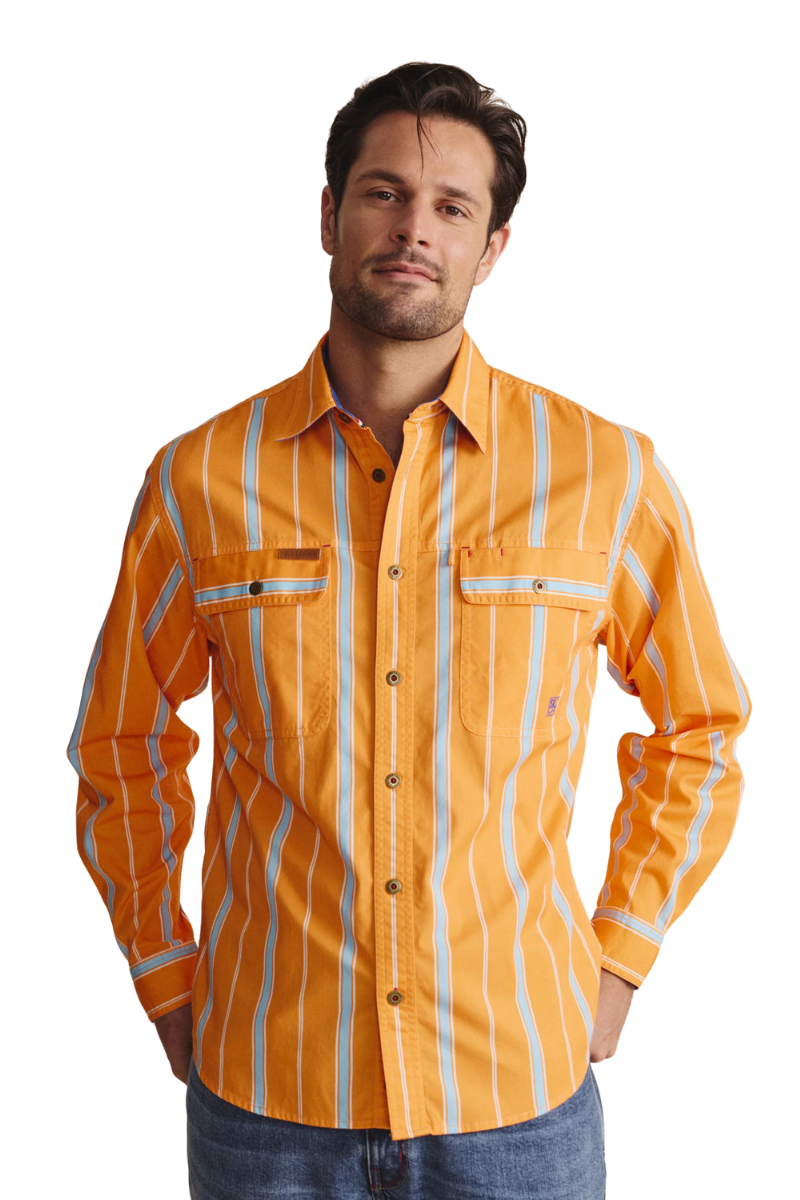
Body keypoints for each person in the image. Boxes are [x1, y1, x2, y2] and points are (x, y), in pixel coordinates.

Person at [67, 61, 750, 1200]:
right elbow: (119, 744)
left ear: (492, 247)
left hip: (516, 1108)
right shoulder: (199, 481)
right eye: (383, 193)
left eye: (451, 207)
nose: (413, 229)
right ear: (327, 215)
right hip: (267, 1109)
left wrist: (621, 955)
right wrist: (163, 971)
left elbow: (704, 726)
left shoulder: (605, 476)